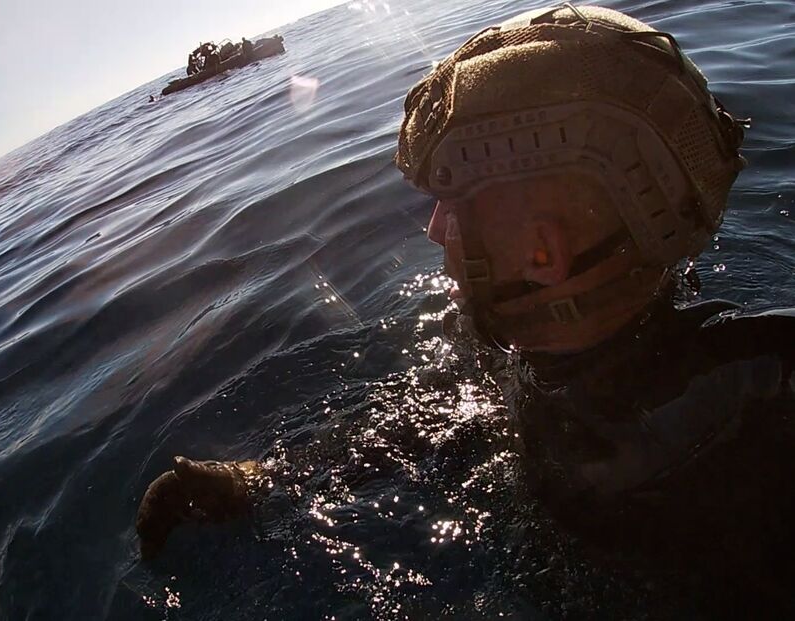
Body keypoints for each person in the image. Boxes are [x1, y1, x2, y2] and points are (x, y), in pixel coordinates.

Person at [136, 4, 794, 608]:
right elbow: (424, 427)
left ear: (543, 254)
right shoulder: (520, 363)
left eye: (459, 204)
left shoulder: (767, 396)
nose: (433, 228)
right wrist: (261, 481)